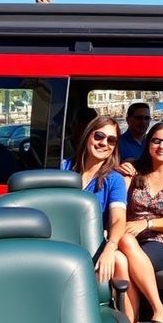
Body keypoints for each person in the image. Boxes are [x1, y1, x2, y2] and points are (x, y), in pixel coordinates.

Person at [118, 123, 163, 323]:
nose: (162, 146)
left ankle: (156, 310)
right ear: (148, 143)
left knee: (125, 249)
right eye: (156, 141)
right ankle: (152, 313)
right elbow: (118, 203)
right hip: (127, 235)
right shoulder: (134, 169)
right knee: (123, 255)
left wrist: (146, 224)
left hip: (160, 240)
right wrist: (120, 171)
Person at [62, 116, 130, 287]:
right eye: (99, 136)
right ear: (88, 136)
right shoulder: (62, 168)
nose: (104, 143)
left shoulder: (114, 180)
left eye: (111, 140)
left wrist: (110, 247)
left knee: (119, 260)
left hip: (92, 242)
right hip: (62, 240)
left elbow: (118, 219)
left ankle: (125, 314)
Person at [118, 103, 151, 172]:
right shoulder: (117, 144)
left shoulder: (152, 142)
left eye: (147, 118)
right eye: (139, 118)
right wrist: (118, 167)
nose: (143, 122)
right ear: (128, 120)